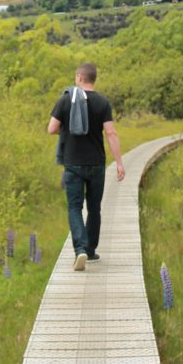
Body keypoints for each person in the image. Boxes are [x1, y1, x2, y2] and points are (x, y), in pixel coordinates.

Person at [47, 62, 125, 271]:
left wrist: (68, 128)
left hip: (73, 163)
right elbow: (111, 133)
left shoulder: (66, 99)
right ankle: (90, 251)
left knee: (74, 207)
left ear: (80, 78)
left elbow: (51, 129)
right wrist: (119, 163)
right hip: (97, 163)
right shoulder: (103, 102)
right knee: (94, 208)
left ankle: (80, 248)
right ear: (93, 79)